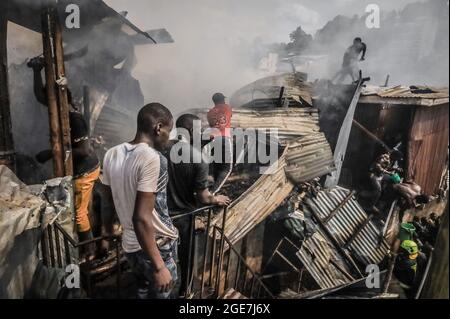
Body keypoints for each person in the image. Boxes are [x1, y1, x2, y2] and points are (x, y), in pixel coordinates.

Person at [102, 103, 178, 299]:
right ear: (158, 128)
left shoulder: (112, 153)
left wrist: (109, 230)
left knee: (142, 290)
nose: (167, 139)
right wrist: (160, 266)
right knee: (164, 294)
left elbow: (109, 201)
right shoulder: (153, 158)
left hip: (129, 245)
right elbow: (141, 218)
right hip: (156, 247)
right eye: (168, 132)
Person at [28, 57, 100, 259]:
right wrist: (36, 71)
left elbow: (84, 151)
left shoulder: (74, 119)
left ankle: (89, 252)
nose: (45, 104)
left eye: (49, 100)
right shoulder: (61, 113)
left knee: (79, 213)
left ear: (61, 100)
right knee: (80, 210)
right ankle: (87, 246)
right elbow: (39, 96)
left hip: (86, 169)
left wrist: (51, 153)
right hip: (78, 168)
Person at [164, 114, 231, 297]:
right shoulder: (198, 158)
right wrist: (217, 199)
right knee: (186, 255)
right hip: (184, 217)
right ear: (191, 130)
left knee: (163, 257)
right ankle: (186, 291)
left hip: (160, 216)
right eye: (199, 129)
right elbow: (203, 198)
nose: (203, 132)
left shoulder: (160, 148)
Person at [205, 93, 233, 194]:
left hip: (213, 140)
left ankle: (213, 191)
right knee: (226, 168)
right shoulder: (227, 107)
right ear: (222, 100)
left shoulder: (210, 113)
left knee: (217, 166)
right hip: (224, 138)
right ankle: (212, 193)